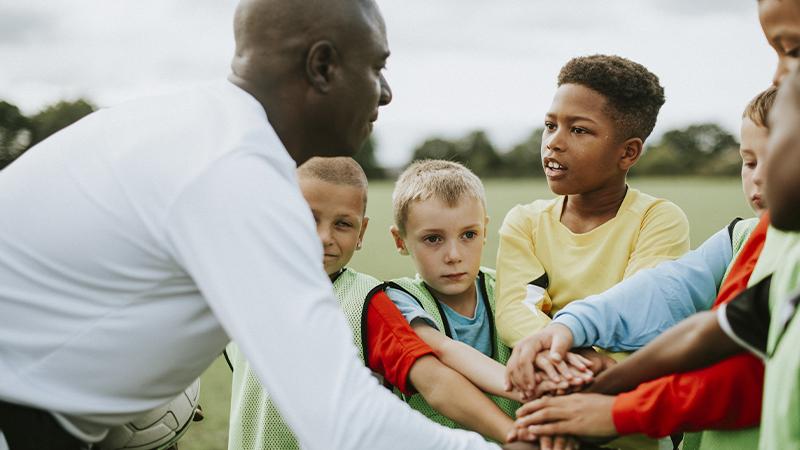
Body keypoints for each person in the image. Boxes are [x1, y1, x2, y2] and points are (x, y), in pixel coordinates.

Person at [0, 0, 511, 449]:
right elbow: (341, 421)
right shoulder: (232, 171)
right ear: (323, 66)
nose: (386, 93)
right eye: (377, 67)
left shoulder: (199, 129)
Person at [226, 157, 519, 448]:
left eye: (342, 224)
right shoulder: (239, 286)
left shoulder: (370, 302)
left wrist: (517, 433)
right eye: (308, 218)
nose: (324, 237)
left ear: (361, 233)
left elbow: (435, 381)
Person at [495, 54, 690, 450]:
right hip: (549, 418)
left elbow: (639, 308)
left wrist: (578, 358)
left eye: (579, 130)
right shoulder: (525, 223)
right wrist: (576, 356)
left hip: (632, 426)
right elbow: (517, 309)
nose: (554, 142)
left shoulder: (658, 219)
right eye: (550, 125)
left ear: (628, 153)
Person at [385, 160, 592, 450]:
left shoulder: (511, 287)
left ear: (484, 230)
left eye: (468, 235)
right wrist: (536, 389)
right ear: (400, 240)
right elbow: (444, 349)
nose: (454, 255)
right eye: (433, 239)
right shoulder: (398, 298)